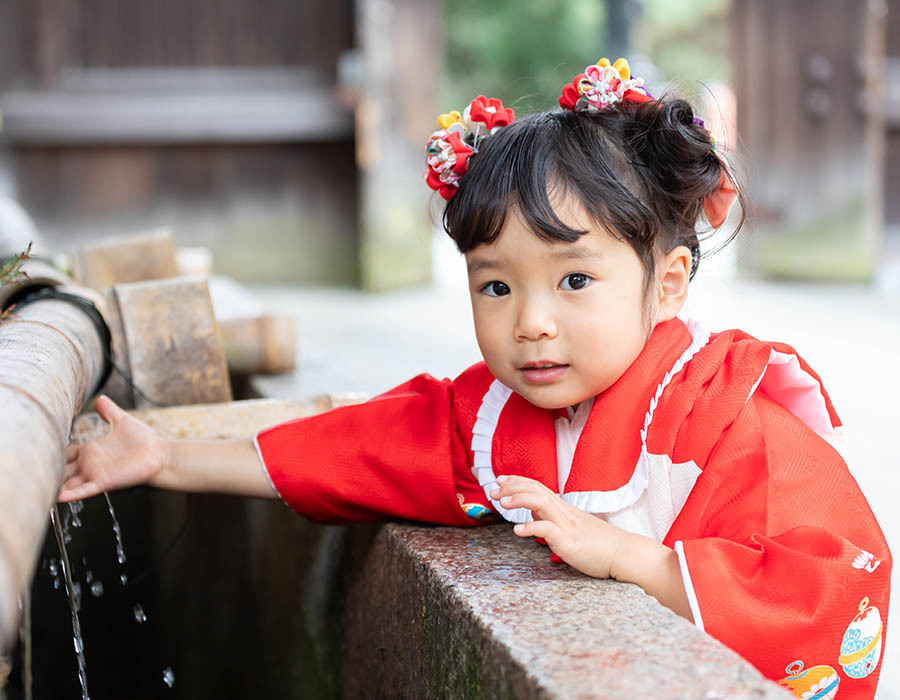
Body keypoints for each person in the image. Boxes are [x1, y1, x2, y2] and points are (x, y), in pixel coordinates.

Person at [61, 58, 890, 697]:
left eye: (573, 281)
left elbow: (829, 583)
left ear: (668, 281)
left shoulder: (733, 419)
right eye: (495, 284)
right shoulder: (495, 419)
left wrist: (630, 559)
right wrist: (162, 457)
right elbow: (346, 450)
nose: (530, 321)